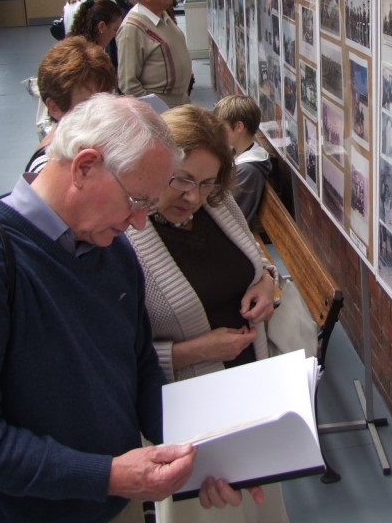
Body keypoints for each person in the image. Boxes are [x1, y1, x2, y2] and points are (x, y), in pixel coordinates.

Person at [0, 94, 254, 521]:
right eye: (136, 200)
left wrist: (204, 457)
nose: (140, 221)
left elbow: (140, 366)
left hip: (114, 502)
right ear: (84, 166)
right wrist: (105, 475)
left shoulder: (113, 251)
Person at [124, 105, 286, 523]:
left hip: (251, 389)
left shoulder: (218, 204)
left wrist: (267, 283)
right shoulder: (126, 240)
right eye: (181, 180)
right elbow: (122, 355)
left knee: (260, 507)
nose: (193, 197)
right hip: (191, 416)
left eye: (207, 182)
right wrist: (194, 351)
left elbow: (258, 262)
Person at [26, 36, 117, 172]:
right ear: (55, 108)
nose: (101, 112)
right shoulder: (48, 168)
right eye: (87, 105)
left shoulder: (94, 141)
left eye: (106, 99)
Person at [117, 0, 193, 106]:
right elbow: (128, 83)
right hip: (162, 112)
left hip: (180, 103)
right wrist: (157, 109)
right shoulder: (131, 29)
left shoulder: (162, 14)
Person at [214, 95, 272, 228]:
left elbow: (231, 214)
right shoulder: (236, 153)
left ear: (239, 127)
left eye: (221, 126)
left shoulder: (248, 171)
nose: (217, 131)